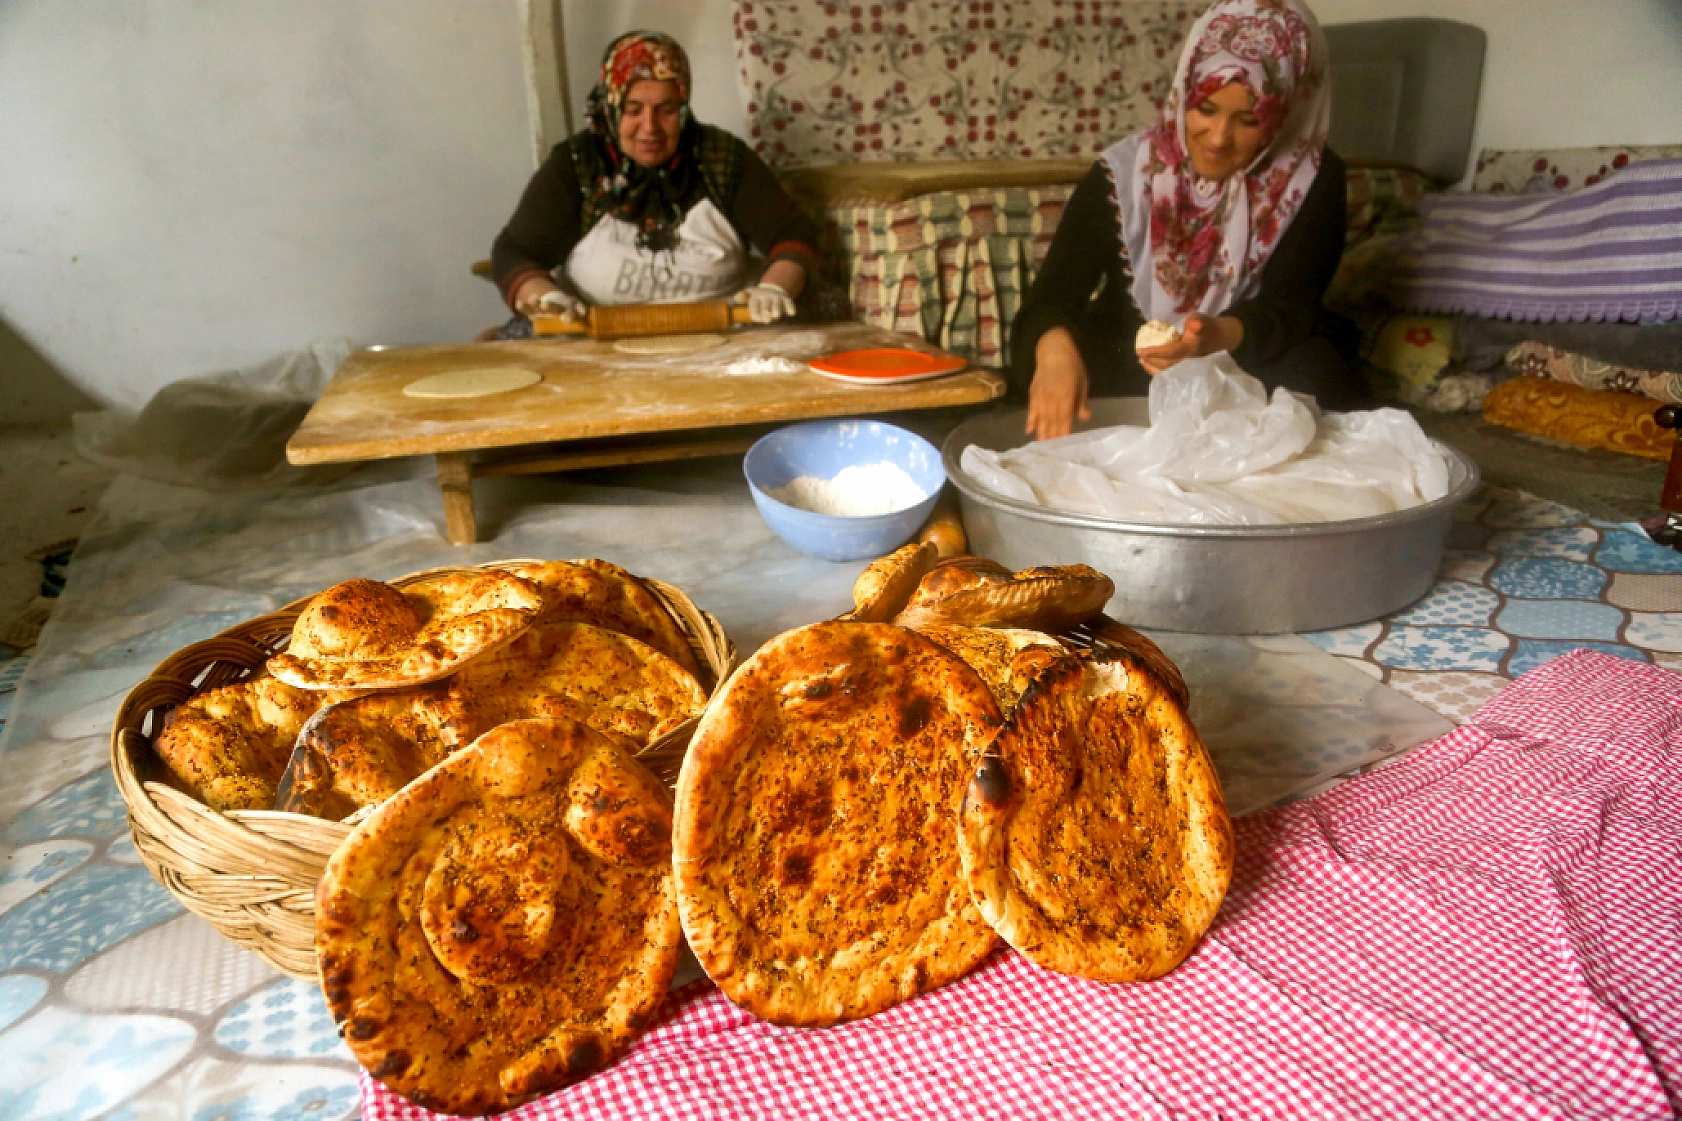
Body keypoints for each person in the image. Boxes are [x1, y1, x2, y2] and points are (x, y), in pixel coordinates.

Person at [1010, 0, 1361, 439]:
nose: (1217, 139)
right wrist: (1056, 354)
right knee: (1046, 364)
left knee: (1317, 376)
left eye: (1249, 120)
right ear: (1183, 92)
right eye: (1206, 109)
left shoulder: (1312, 178)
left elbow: (1290, 310)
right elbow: (1052, 297)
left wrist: (1212, 337)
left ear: (1286, 112)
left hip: (1243, 353)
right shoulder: (1123, 175)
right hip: (1133, 361)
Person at [490, 30, 833, 334]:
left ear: (684, 107)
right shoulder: (578, 165)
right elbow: (515, 253)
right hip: (596, 342)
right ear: (611, 105)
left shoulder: (722, 158)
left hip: (725, 339)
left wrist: (775, 288)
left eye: (666, 109)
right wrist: (542, 295)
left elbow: (792, 234)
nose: (650, 128)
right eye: (634, 109)